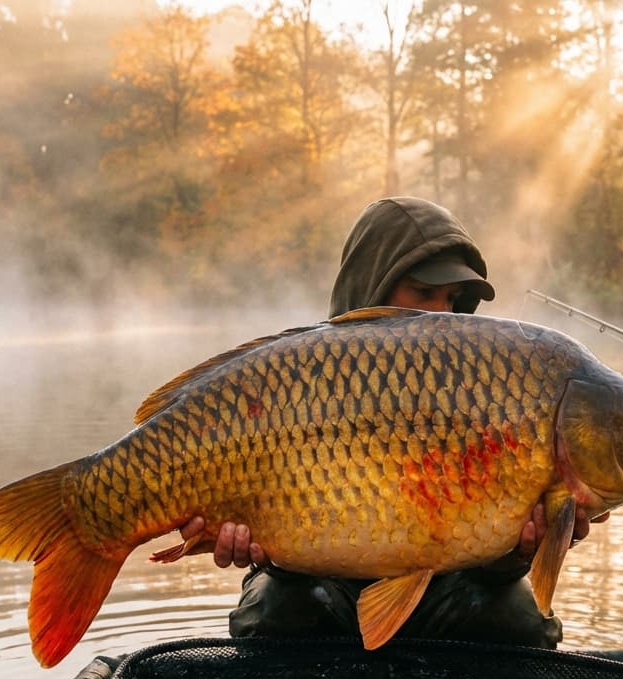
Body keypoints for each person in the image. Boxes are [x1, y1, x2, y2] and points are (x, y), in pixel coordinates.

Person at [179, 197, 597, 647]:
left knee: (518, 616)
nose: (441, 312)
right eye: (422, 293)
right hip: (322, 581)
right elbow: (280, 531)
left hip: (446, 585)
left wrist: (520, 552)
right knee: (275, 609)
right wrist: (254, 549)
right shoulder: (299, 380)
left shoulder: (488, 387)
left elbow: (487, 546)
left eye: (453, 298)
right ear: (371, 287)